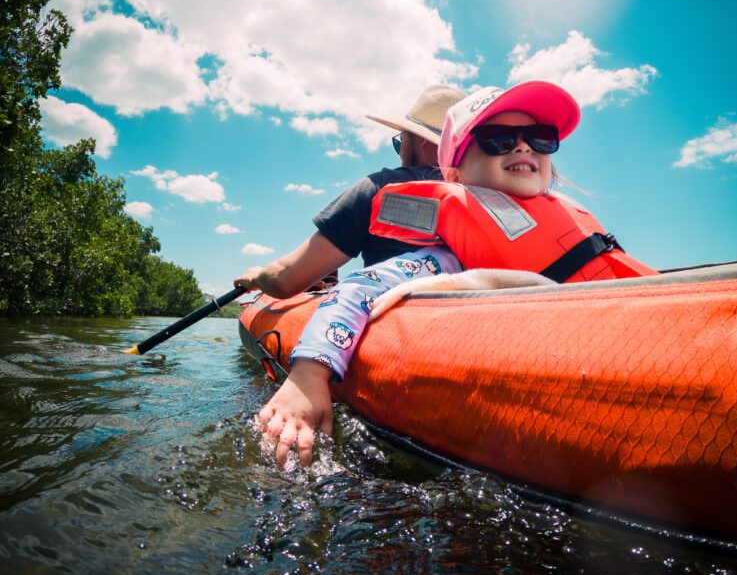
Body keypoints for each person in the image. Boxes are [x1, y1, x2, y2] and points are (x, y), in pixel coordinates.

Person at [254, 81, 656, 469]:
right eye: (496, 138)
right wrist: (309, 374)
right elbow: (361, 289)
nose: (522, 145)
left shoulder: (570, 219)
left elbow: (287, 276)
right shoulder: (446, 255)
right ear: (455, 172)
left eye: (541, 138)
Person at [233, 84, 465, 298]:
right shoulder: (485, 201)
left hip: (396, 325)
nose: (400, 150)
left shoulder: (381, 190)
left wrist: (256, 276)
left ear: (422, 144)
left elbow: (285, 280)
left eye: (400, 141)